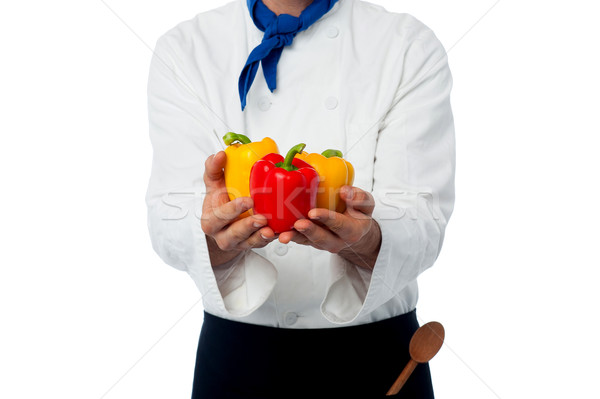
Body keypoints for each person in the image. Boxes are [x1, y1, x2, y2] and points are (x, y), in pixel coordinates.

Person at [145, 0, 455, 397]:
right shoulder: (185, 48)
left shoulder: (409, 45)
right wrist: (214, 237)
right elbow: (167, 217)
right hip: (238, 363)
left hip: (377, 362)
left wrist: (368, 241)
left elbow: (425, 219)